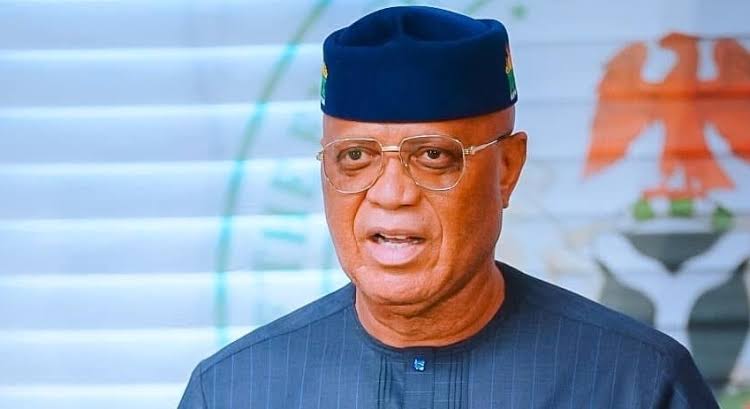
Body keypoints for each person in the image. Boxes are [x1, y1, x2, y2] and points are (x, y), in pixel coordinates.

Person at [178, 6, 718, 408]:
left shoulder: (637, 384)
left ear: (507, 168)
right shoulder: (234, 391)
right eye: (356, 156)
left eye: (433, 155)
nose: (390, 193)